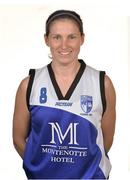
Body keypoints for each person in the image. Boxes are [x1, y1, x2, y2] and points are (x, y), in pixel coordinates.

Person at [13, 9, 116, 179]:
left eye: (72, 37)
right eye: (57, 37)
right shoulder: (29, 84)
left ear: (82, 38)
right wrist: (40, 168)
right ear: (47, 39)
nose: (64, 45)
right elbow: (18, 138)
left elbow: (106, 140)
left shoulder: (102, 83)